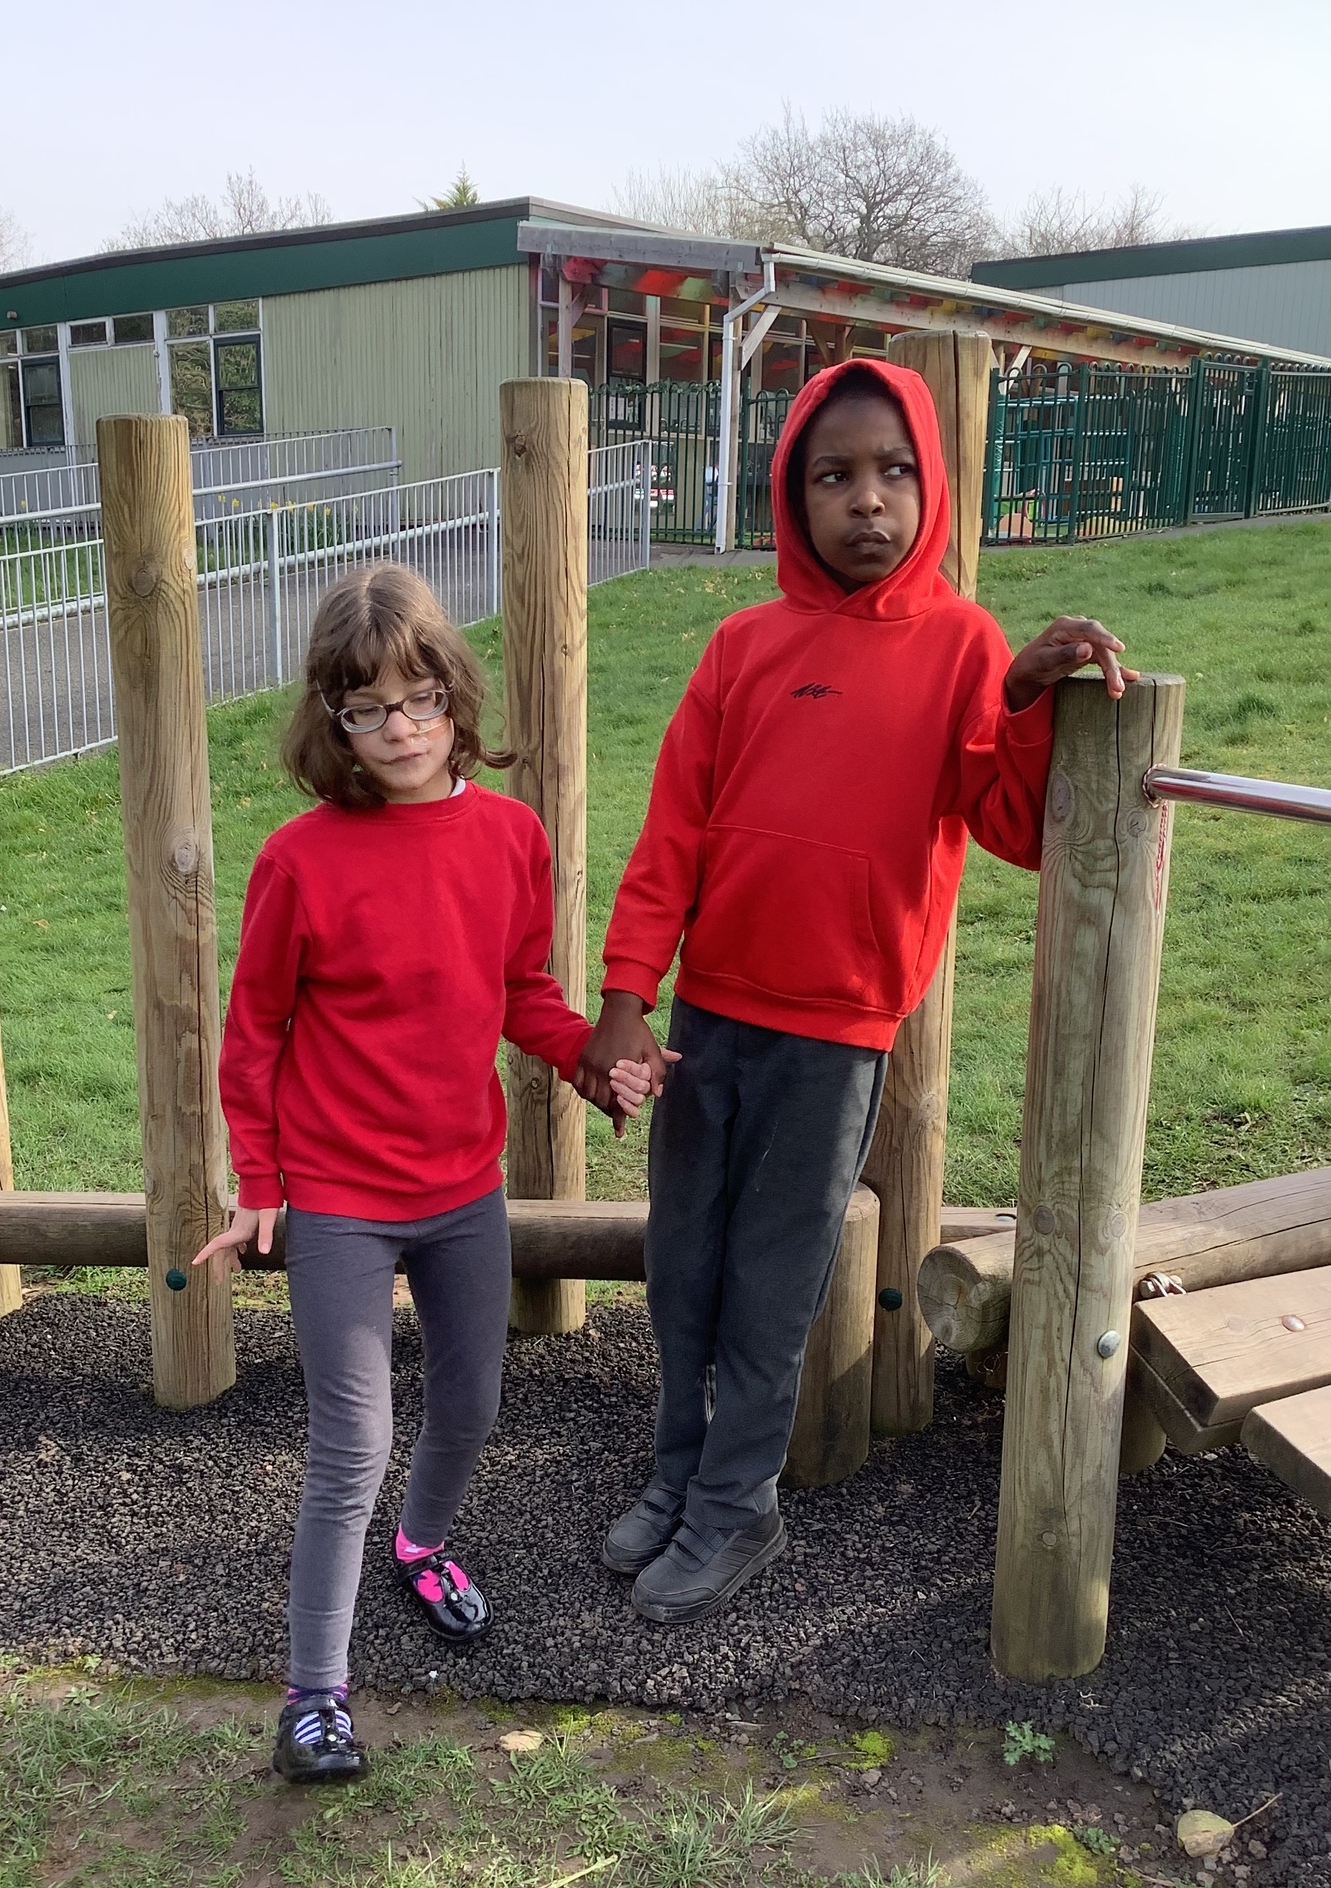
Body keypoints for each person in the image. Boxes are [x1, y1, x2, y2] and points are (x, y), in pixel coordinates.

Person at [581, 357, 1137, 1627]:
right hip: (709, 1015)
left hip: (833, 1032)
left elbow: (1015, 826)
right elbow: (673, 834)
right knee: (683, 1262)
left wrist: (1021, 703)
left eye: (893, 471)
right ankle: (677, 1473)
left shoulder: (960, 644)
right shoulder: (742, 645)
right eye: (834, 475)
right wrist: (626, 993)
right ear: (794, 494)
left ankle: (739, 1502)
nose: (866, 499)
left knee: (772, 1280)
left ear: (930, 486)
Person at [195, 565, 626, 1785]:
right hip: (338, 1198)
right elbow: (253, 1033)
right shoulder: (300, 861)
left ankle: (421, 1545)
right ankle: (314, 1697)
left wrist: (593, 1059)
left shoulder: (510, 836)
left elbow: (521, 992)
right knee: (353, 1444)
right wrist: (262, 1179)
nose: (398, 726)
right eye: (366, 707)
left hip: (462, 1189)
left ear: (454, 694)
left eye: (419, 697)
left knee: (472, 1401)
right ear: (332, 720)